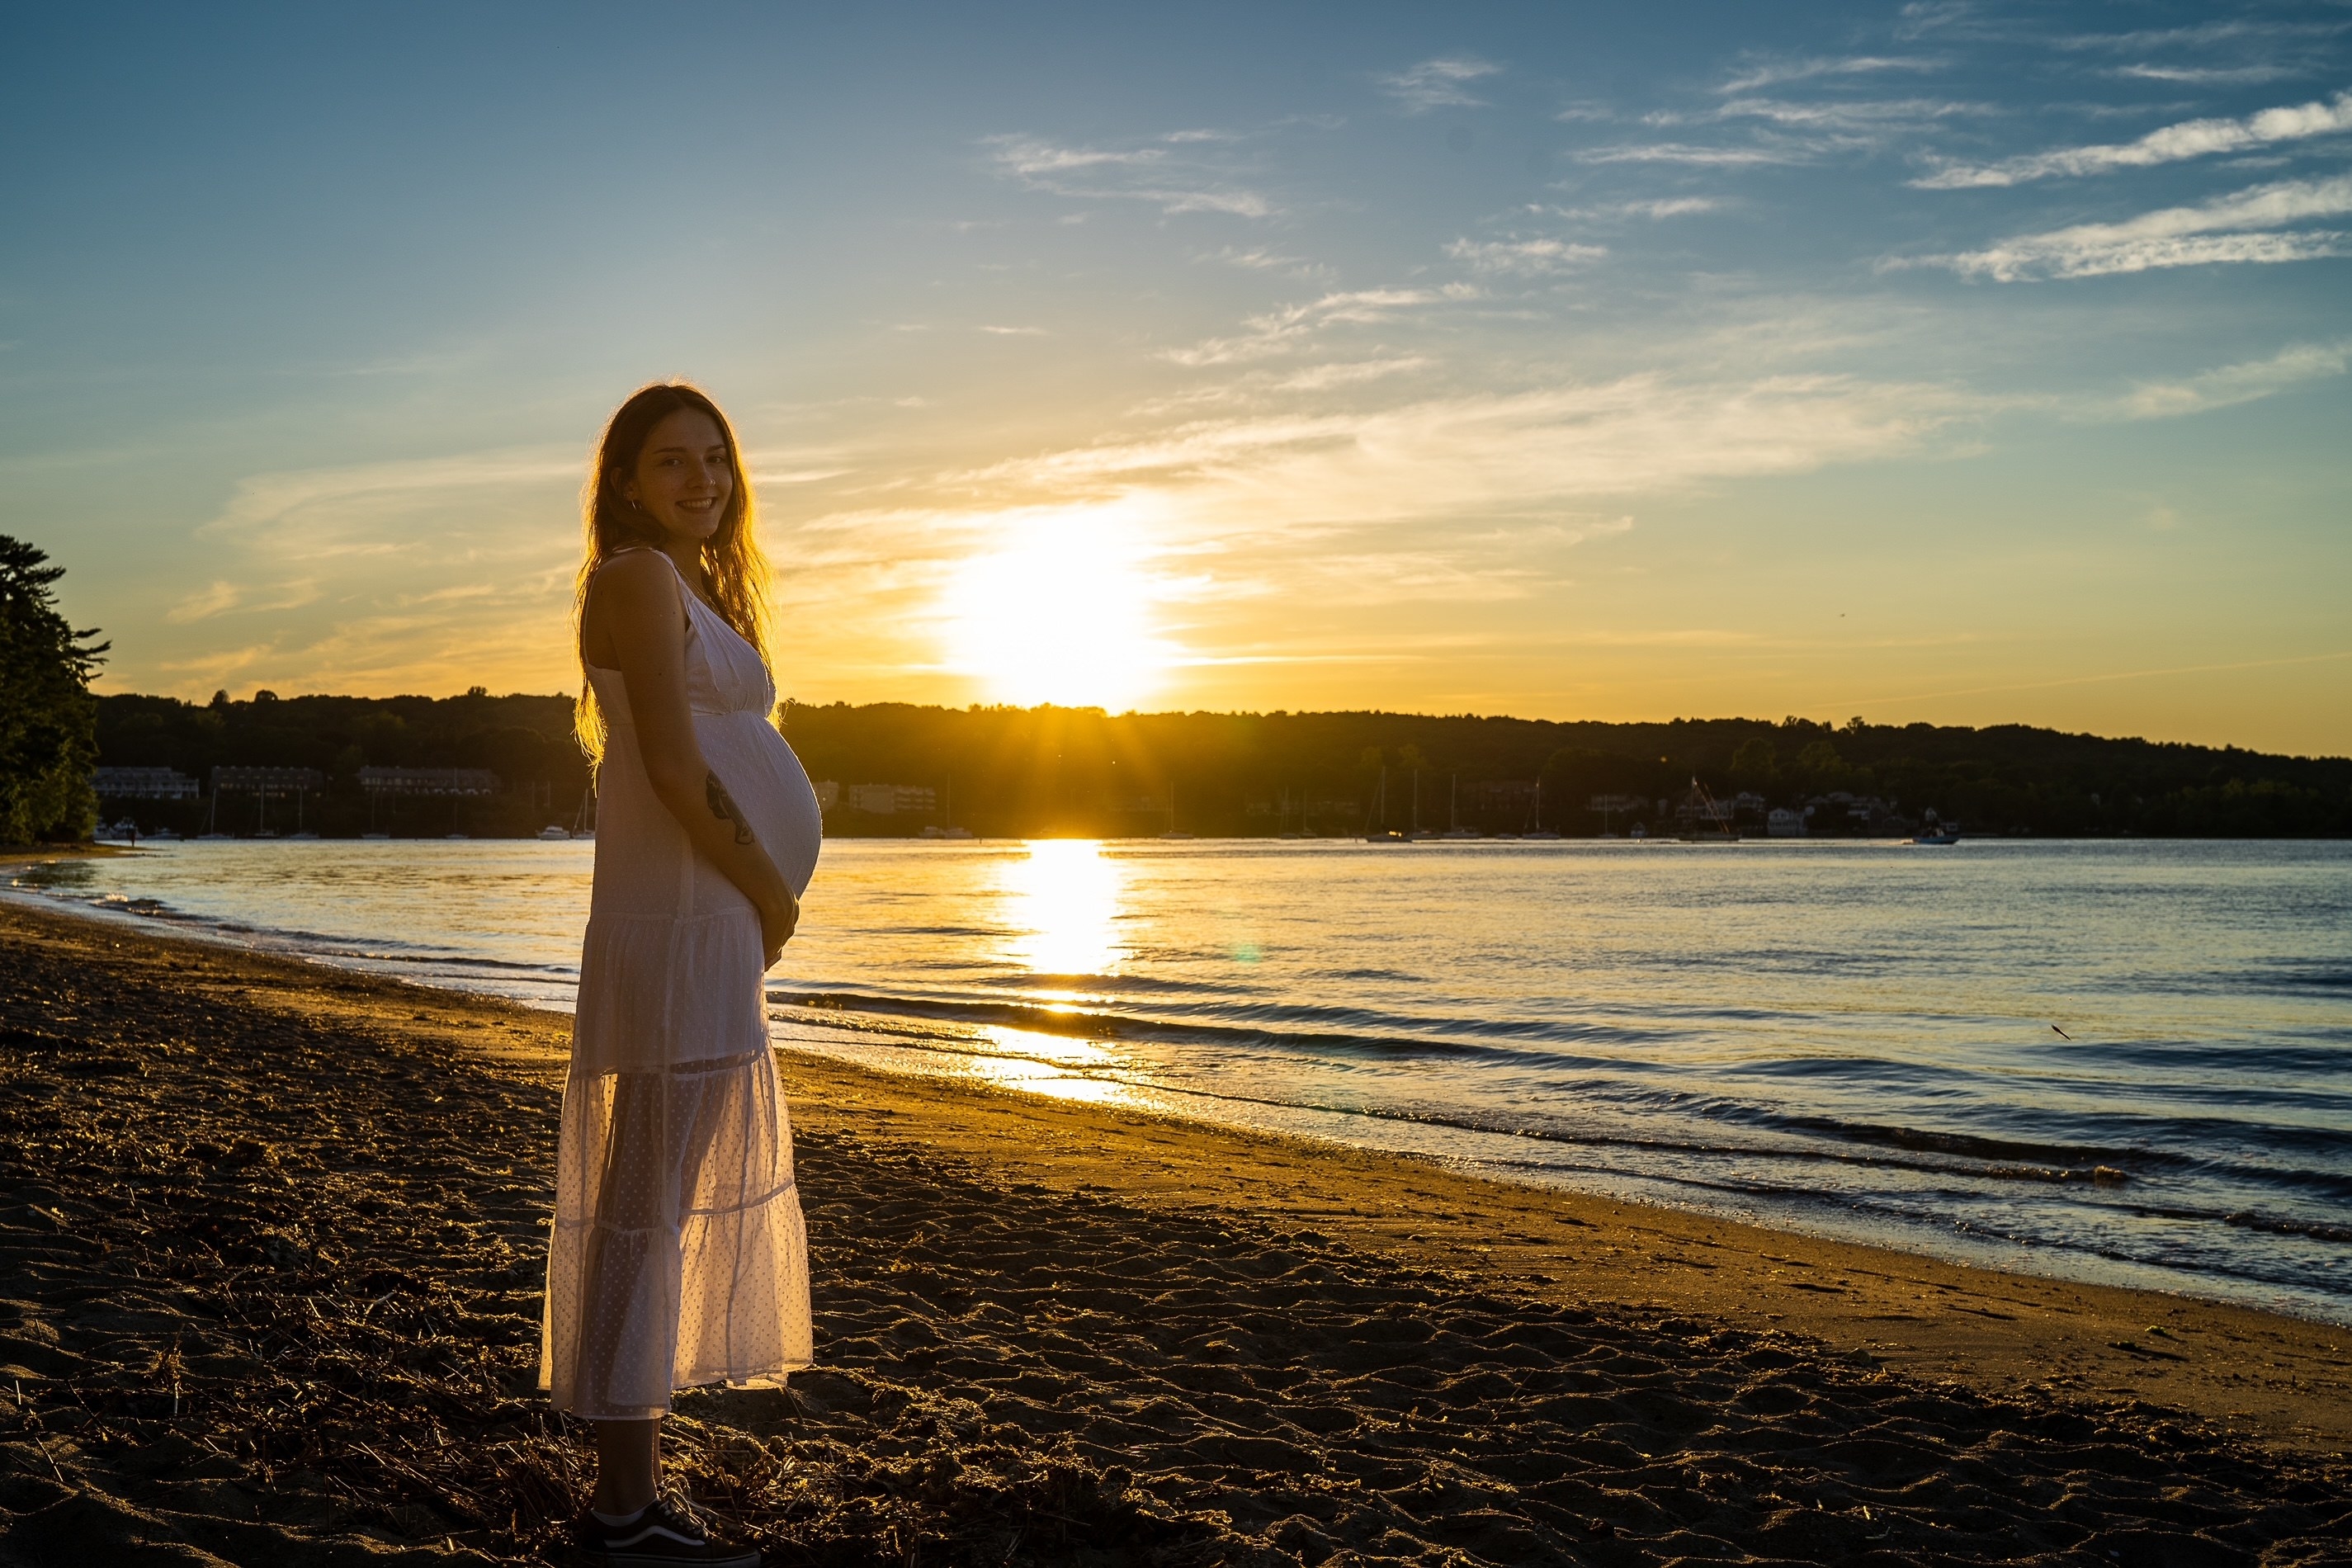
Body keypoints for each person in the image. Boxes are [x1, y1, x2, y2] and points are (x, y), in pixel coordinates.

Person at [541, 382, 823, 1566]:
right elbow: (665, 765)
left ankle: (633, 1494)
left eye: (715, 459)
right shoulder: (635, 580)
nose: (701, 480)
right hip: (685, 924)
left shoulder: (691, 584)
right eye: (672, 462)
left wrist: (756, 897)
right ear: (624, 481)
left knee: (651, 1203)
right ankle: (619, 1513)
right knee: (642, 1208)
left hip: (705, 927)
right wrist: (768, 887)